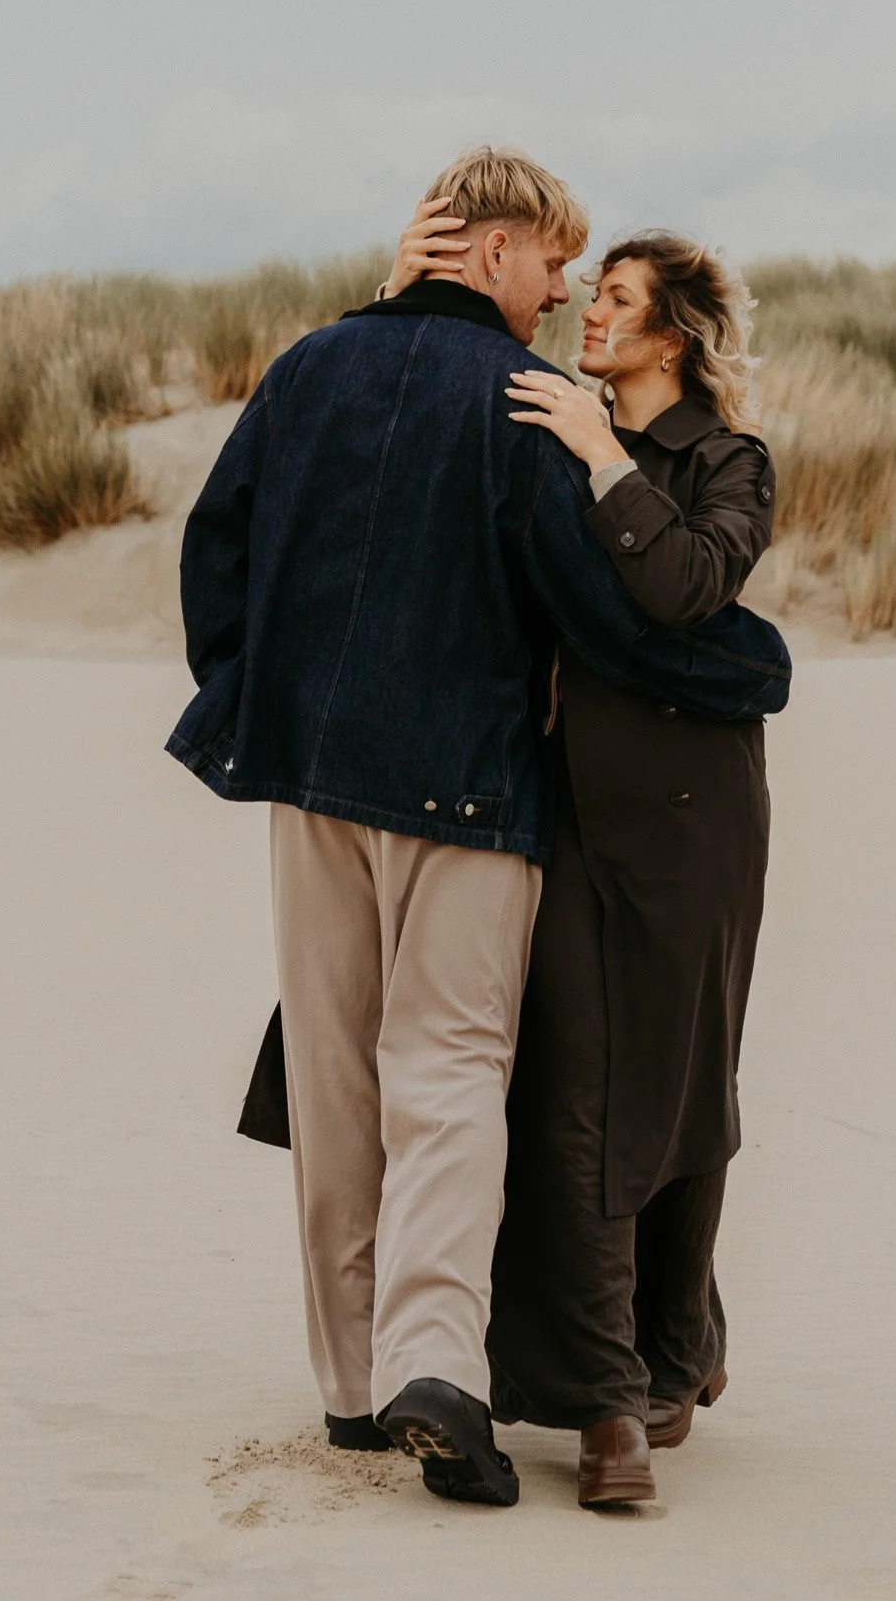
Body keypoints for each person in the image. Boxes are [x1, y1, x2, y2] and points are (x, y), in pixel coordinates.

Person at [170, 149, 791, 1513]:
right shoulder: (524, 400)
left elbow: (218, 550)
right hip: (465, 792)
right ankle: (434, 1371)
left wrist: (256, 708)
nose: (561, 290)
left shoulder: (306, 366)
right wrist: (748, 673)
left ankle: (344, 1391)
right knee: (445, 1074)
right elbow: (601, 610)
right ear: (495, 252)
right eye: (555, 263)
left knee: (336, 1078)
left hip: (310, 787)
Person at [378, 207, 777, 1509]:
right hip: (554, 809)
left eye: (616, 299)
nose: (589, 315)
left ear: (673, 331)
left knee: (692, 1079)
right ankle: (607, 1400)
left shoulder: (729, 459)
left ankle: (681, 1345)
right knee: (576, 1090)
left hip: (693, 820)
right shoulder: (547, 420)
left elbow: (687, 593)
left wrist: (608, 462)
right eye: (587, 294)